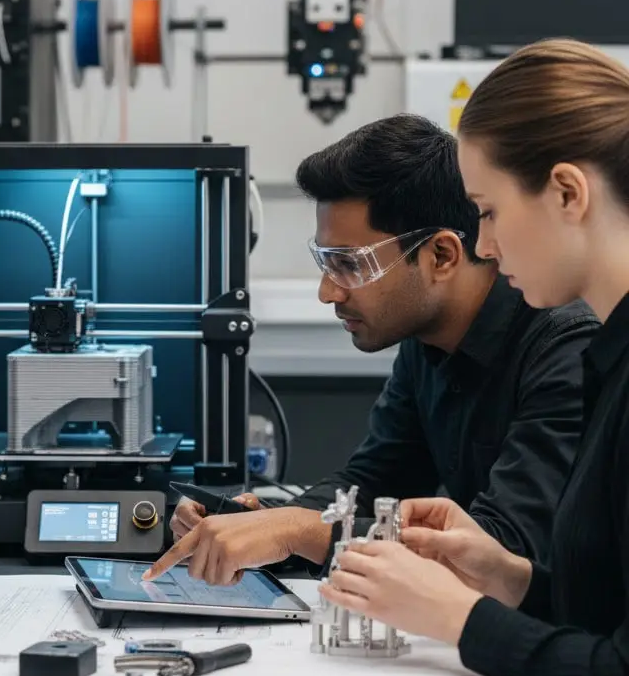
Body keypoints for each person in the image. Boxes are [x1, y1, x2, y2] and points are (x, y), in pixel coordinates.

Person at [318, 40, 629, 676]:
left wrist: (460, 618)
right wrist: (510, 576)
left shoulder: (575, 349)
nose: (483, 246)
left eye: (488, 212)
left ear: (566, 193)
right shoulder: (610, 353)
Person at [145, 113, 597, 586]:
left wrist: (301, 531)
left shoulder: (566, 351)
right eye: (326, 262)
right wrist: (257, 522)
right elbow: (371, 482)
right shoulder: (427, 342)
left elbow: (502, 552)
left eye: (349, 264)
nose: (328, 292)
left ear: (441, 255)